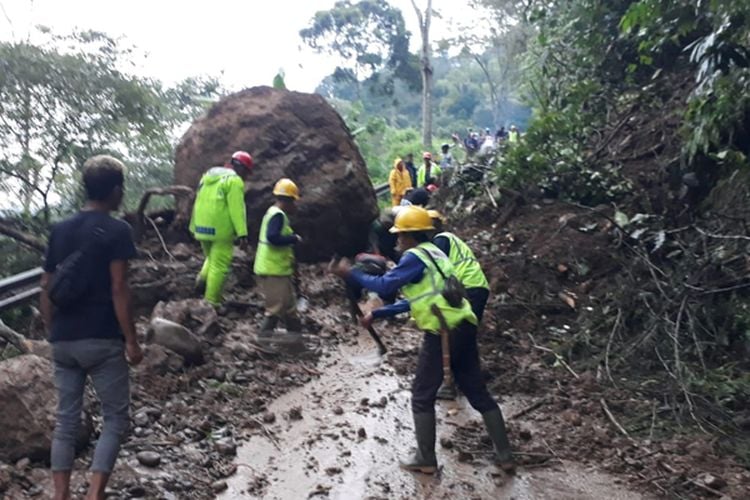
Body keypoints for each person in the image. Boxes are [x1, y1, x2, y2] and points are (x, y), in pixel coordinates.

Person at [330, 206, 514, 475]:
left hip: (442, 331)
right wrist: (379, 312)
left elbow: (384, 286)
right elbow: (418, 300)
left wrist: (351, 273)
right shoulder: (436, 254)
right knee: (476, 391)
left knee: (421, 394)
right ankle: (505, 455)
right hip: (461, 325)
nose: (397, 242)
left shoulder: (414, 257)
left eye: (400, 236)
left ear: (410, 236)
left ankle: (425, 458)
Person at [40, 155, 143, 500]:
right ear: (115, 190)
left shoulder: (60, 229)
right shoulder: (117, 231)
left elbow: (46, 286)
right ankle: (94, 494)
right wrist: (131, 340)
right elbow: (119, 288)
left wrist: (52, 330)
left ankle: (61, 494)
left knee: (66, 420)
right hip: (101, 340)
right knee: (114, 417)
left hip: (64, 340)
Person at [428, 210, 491, 400]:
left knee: (458, 334)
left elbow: (439, 271)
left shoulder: (441, 240)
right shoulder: (448, 239)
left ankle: (455, 382)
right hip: (474, 286)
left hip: (469, 287)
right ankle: (469, 379)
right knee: (465, 334)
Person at [190, 151, 253, 305]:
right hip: (220, 231)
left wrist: (193, 226)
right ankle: (211, 303)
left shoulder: (206, 178)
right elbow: (236, 209)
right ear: (242, 169)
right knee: (219, 266)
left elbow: (197, 201)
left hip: (201, 227)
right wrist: (242, 234)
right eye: (247, 172)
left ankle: (202, 280)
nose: (247, 177)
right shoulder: (234, 181)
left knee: (211, 258)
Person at [254, 178, 304, 336]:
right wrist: (293, 238)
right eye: (294, 202)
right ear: (288, 201)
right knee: (274, 309)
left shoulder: (273, 213)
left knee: (290, 308)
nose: (295, 206)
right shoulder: (278, 216)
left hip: (278, 270)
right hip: (272, 270)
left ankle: (296, 341)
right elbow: (272, 238)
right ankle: (262, 342)